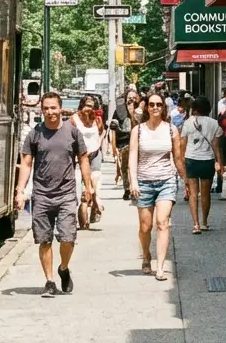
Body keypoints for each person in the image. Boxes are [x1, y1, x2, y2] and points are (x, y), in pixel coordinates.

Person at [16, 92, 93, 298]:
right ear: (42, 110)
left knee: (68, 238)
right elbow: (26, 163)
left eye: (53, 108)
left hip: (66, 193)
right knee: (45, 239)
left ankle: (63, 268)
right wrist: (20, 190)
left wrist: (88, 186)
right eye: (46, 108)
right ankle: (50, 281)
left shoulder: (72, 132)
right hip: (42, 194)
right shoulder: (35, 134)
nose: (50, 112)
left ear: (61, 109)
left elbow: (83, 159)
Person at [128, 92, 186, 280]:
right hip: (144, 182)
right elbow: (132, 157)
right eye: (151, 104)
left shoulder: (171, 130)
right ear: (146, 107)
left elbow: (177, 158)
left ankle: (160, 267)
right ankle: (146, 256)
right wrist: (133, 181)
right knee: (145, 227)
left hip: (166, 181)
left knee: (162, 222)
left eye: (158, 104)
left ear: (163, 107)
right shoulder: (138, 130)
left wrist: (186, 180)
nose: (155, 107)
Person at [182, 97, 223, 234]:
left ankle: (196, 225)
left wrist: (182, 162)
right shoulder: (215, 124)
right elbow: (217, 146)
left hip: (191, 159)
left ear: (195, 109)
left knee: (193, 194)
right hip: (207, 160)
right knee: (205, 194)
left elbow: (183, 144)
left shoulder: (188, 123)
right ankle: (205, 222)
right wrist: (220, 162)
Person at [70, 95, 108, 228]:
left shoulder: (97, 119)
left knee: (95, 182)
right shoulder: (74, 120)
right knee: (84, 189)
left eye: (91, 106)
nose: (88, 109)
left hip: (95, 154)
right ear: (81, 106)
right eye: (86, 106)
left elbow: (103, 132)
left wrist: (99, 143)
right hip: (79, 157)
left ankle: (96, 201)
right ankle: (84, 223)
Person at [112, 89, 142, 198]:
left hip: (137, 143)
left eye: (134, 97)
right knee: (124, 167)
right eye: (129, 97)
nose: (131, 99)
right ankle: (127, 189)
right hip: (123, 143)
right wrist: (113, 146)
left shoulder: (141, 110)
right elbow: (113, 128)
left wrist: (132, 113)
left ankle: (135, 187)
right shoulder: (119, 111)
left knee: (135, 166)